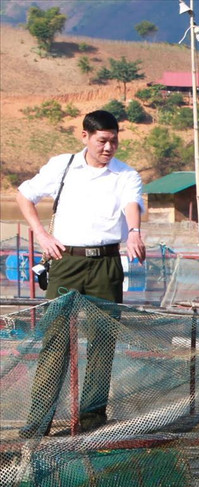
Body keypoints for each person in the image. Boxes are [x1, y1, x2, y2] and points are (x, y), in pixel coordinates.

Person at [15, 109, 145, 437]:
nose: (108, 148)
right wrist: (42, 235)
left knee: (103, 342)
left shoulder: (126, 174)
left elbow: (132, 203)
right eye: (102, 141)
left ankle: (91, 421)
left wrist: (134, 232)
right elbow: (24, 195)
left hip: (106, 264)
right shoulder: (62, 165)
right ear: (85, 136)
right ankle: (38, 424)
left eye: (114, 141)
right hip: (65, 263)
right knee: (56, 341)